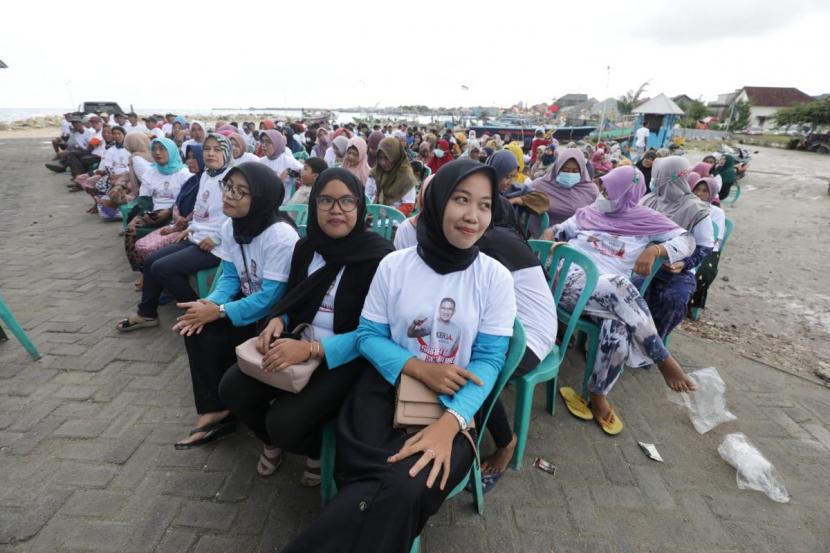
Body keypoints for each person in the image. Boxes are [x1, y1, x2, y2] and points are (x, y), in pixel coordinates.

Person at [281, 159, 516, 553]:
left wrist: (450, 426)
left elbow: (490, 361)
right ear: (438, 202)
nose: (473, 216)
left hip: (453, 404)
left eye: (485, 204)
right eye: (461, 199)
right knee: (379, 477)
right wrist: (418, 367)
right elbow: (369, 336)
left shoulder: (494, 278)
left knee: (405, 486)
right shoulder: (395, 265)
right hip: (382, 392)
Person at [220, 167, 393, 483]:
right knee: (233, 388)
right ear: (314, 205)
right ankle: (270, 442)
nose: (335, 210)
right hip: (296, 342)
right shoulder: (307, 247)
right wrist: (277, 319)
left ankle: (316, 450)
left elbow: (379, 333)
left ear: (360, 206)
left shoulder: (380, 259)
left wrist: (313, 350)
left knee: (286, 421)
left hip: (348, 357)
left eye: (346, 201)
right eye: (325, 200)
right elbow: (293, 298)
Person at [542, 165, 697, 434]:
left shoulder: (647, 221)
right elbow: (555, 231)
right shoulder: (587, 213)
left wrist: (656, 249)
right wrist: (546, 246)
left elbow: (687, 241)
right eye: (601, 187)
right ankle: (661, 358)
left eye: (607, 190)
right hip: (569, 284)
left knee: (618, 324)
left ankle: (597, 393)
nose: (601, 193)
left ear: (626, 193)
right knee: (619, 286)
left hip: (611, 298)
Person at [172, 162, 299, 448]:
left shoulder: (280, 235)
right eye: (229, 187)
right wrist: (209, 303)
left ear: (262, 199)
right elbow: (230, 277)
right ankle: (213, 408)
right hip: (245, 306)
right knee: (195, 326)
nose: (229, 195)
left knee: (211, 324)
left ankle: (242, 405)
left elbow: (271, 298)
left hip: (278, 318)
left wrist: (218, 311)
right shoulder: (232, 225)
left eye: (241, 192)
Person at [471, 195, 557, 489]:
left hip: (530, 337)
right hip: (519, 325)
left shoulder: (490, 241)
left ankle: (505, 443)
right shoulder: (502, 235)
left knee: (479, 376)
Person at [116, 134, 233, 331]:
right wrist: (190, 228)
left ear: (226, 152)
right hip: (196, 236)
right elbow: (200, 210)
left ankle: (201, 312)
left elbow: (237, 215)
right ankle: (147, 313)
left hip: (216, 245)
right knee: (151, 260)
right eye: (207, 149)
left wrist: (217, 237)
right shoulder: (206, 175)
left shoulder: (231, 177)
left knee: (163, 268)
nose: (211, 153)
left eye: (217, 149)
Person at [638, 157, 714, 339]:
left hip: (677, 271)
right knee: (631, 292)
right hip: (641, 262)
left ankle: (653, 341)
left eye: (658, 176)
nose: (653, 181)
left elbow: (705, 246)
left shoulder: (696, 209)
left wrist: (684, 263)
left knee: (674, 299)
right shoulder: (649, 200)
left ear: (668, 178)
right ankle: (628, 337)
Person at [123, 137, 193, 285]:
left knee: (167, 233)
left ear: (172, 151)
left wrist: (168, 212)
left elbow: (187, 201)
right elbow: (144, 198)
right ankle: (144, 271)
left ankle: (159, 271)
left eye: (162, 149)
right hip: (154, 212)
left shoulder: (184, 174)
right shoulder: (151, 172)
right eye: (154, 149)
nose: (157, 152)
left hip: (176, 213)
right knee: (130, 230)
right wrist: (146, 214)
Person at [133, 145, 205, 278]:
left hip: (190, 229)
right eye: (188, 157)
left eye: (194, 158)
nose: (189, 161)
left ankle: (161, 282)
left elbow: (199, 209)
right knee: (140, 243)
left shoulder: (205, 182)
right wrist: (176, 219)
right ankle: (149, 275)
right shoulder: (191, 180)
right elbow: (178, 202)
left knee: (151, 250)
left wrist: (179, 224)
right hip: (177, 223)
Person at [530, 148, 599, 232]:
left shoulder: (591, 190)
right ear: (557, 168)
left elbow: (596, 216)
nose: (570, 174)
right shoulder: (540, 185)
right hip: (543, 238)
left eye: (575, 171)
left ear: (582, 171)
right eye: (565, 170)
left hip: (576, 239)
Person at [688, 175, 726, 317]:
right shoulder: (687, 206)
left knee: (704, 272)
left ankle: (691, 305)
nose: (699, 194)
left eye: (705, 191)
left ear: (712, 193)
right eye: (697, 190)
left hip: (709, 249)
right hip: (687, 244)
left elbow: (715, 238)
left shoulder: (717, 212)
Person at [366, 137, 418, 213]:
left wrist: (385, 213)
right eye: (380, 158)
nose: (383, 162)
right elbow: (367, 195)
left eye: (387, 158)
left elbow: (408, 206)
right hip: (373, 215)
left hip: (394, 220)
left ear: (396, 157)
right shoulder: (375, 172)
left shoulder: (406, 177)